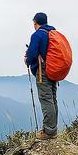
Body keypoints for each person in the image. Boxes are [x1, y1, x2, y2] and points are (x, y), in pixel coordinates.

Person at [25, 12, 58, 140]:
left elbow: (32, 53)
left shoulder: (37, 35)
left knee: (45, 98)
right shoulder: (53, 33)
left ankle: (48, 132)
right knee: (52, 98)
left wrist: (27, 60)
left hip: (43, 70)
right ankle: (52, 129)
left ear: (35, 22)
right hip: (53, 69)